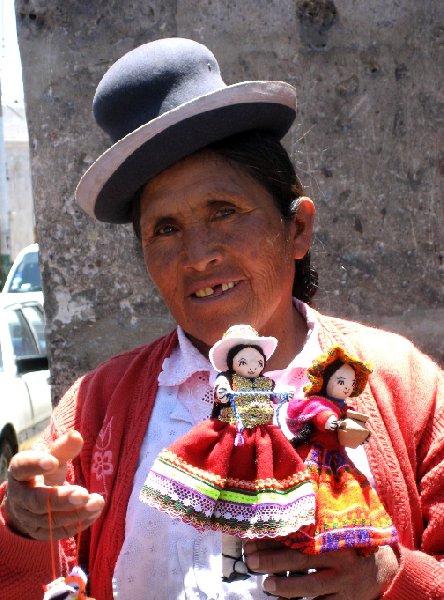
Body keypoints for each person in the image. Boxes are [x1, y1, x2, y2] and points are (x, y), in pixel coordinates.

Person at [0, 37, 442, 600]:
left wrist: (388, 577)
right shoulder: (96, 408)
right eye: (165, 229)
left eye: (224, 211)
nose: (198, 254)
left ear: (298, 228)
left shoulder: (406, 388)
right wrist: (23, 526)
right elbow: (26, 576)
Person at [140, 324, 316, 581]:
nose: (252, 366)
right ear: (233, 363)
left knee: (258, 503)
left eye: (257, 361)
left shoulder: (264, 383)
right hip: (234, 445)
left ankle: (257, 558)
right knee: (228, 506)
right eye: (244, 361)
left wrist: (281, 396)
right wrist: (223, 392)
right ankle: (230, 561)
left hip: (264, 444)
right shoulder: (227, 380)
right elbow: (221, 393)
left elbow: (275, 397)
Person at [285, 346, 398, 554]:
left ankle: (349, 532)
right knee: (316, 495)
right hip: (317, 459)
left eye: (350, 383)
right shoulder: (317, 403)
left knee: (350, 493)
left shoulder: (345, 408)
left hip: (338, 460)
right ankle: (309, 535)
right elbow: (322, 416)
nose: (346, 388)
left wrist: (360, 434)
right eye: (340, 382)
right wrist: (330, 422)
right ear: (326, 380)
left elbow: (352, 428)